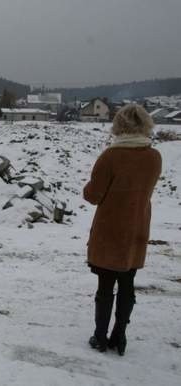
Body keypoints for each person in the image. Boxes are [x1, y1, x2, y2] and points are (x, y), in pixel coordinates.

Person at [83, 104, 162, 356]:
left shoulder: (111, 156)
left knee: (105, 286)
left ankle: (100, 336)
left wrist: (89, 185)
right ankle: (120, 336)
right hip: (138, 226)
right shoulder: (154, 157)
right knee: (128, 282)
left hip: (110, 229)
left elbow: (93, 196)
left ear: (119, 126)